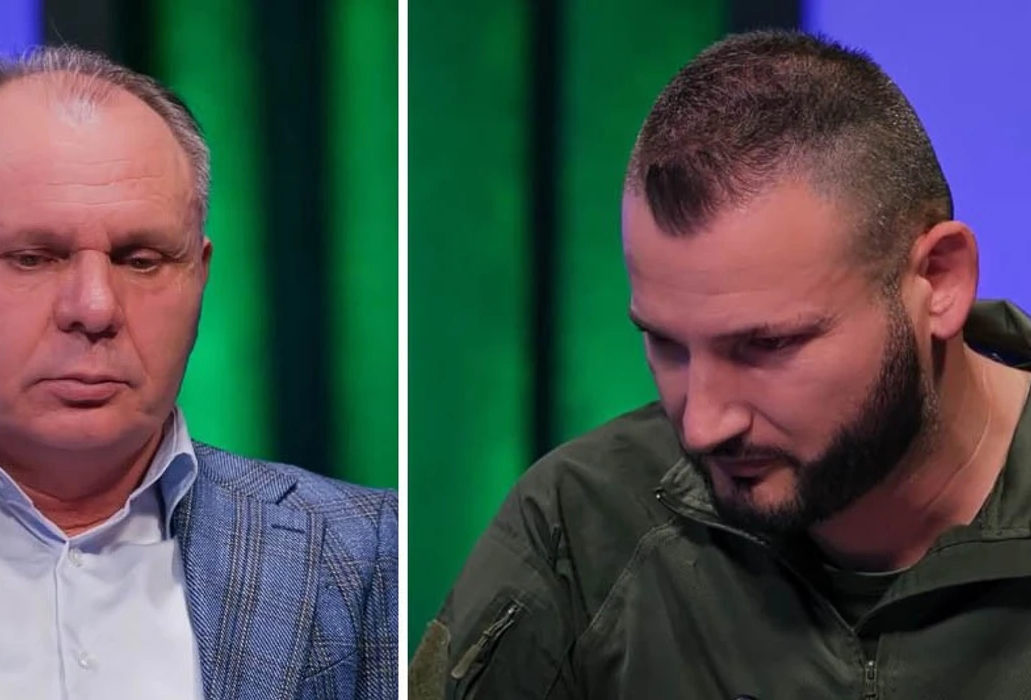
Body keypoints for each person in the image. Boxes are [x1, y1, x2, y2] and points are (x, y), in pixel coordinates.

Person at [409, 29, 1031, 699]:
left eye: (766, 346)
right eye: (666, 344)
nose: (702, 426)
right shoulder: (581, 526)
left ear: (938, 281)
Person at [0, 47, 396, 700]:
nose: (95, 308)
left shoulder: (369, 555)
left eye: (141, 259)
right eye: (32, 257)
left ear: (199, 280)